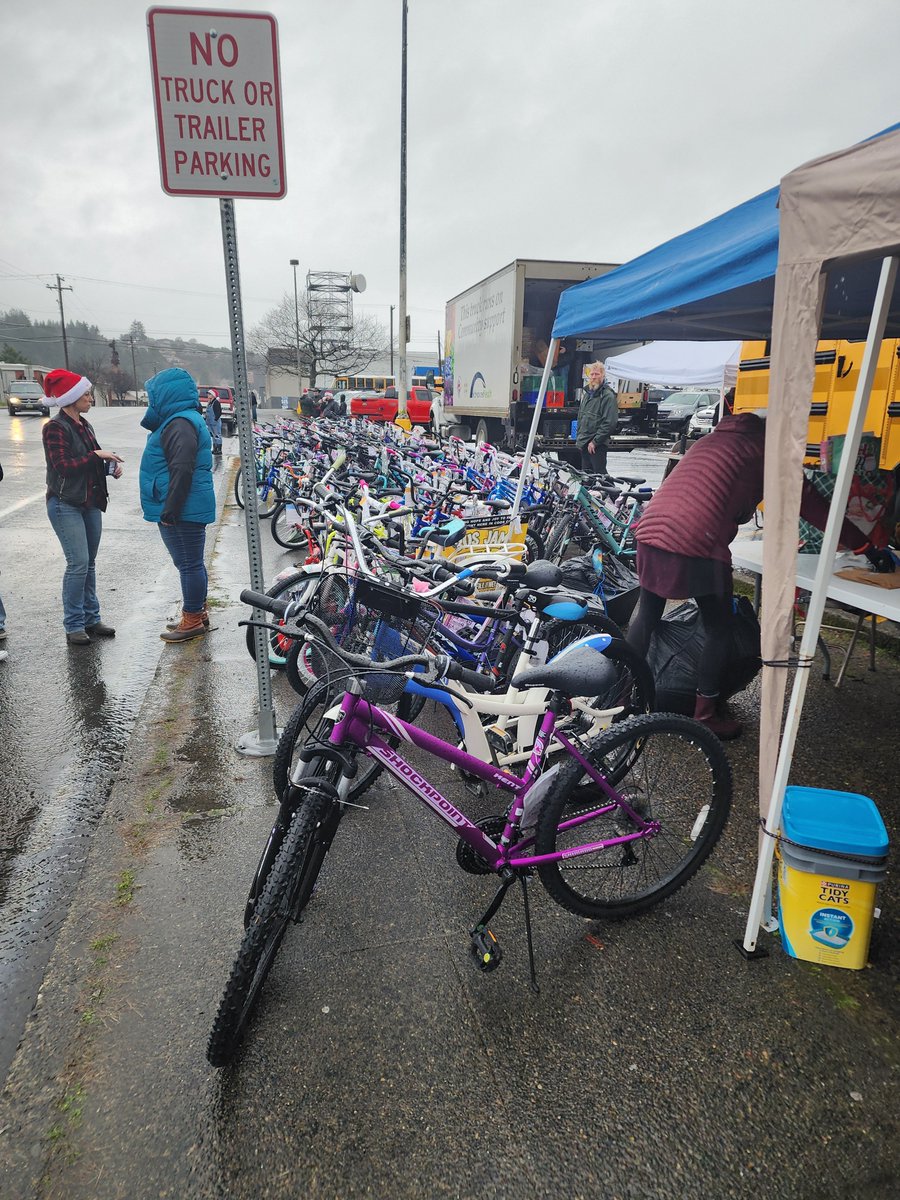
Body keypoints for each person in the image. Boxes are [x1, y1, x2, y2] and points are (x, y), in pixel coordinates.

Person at [626, 410, 889, 739]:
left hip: (650, 530)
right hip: (697, 541)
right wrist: (865, 547)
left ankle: (623, 697)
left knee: (647, 616)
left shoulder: (710, 441)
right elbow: (814, 506)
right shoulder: (767, 451)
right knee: (718, 628)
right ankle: (704, 715)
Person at [41, 370, 123, 646]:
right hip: (65, 504)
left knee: (88, 564)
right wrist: (95, 456)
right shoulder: (55, 428)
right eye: (86, 394)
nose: (90, 398)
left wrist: (108, 468)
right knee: (77, 564)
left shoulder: (84, 425)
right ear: (72, 397)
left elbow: (88, 463)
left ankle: (91, 618)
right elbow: (63, 466)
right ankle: (74, 624)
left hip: (90, 503)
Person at [140, 368, 216, 643]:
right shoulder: (181, 420)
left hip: (182, 507)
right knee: (191, 562)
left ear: (165, 395)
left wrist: (170, 509)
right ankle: (198, 611)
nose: (151, 401)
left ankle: (192, 618)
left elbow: (182, 469)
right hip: (187, 504)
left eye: (153, 395)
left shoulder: (179, 423)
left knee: (188, 563)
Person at [576, 361, 618, 475]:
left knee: (600, 474)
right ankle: (590, 492)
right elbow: (581, 417)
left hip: (596, 443)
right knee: (586, 475)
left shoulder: (608, 396)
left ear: (603, 375)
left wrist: (595, 442)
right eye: (592, 374)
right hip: (584, 441)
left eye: (597, 374)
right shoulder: (587, 394)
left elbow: (609, 422)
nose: (594, 377)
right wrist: (579, 440)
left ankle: (613, 493)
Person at [204, 389, 223, 455]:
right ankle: (215, 449)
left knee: (217, 435)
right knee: (213, 436)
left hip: (215, 423)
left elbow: (219, 412)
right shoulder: (210, 402)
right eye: (208, 394)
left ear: (213, 395)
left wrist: (215, 419)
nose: (208, 395)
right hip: (210, 422)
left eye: (209, 394)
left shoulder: (216, 402)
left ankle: (219, 450)